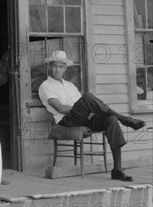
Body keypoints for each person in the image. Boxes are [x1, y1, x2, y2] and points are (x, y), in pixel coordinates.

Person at [39, 50, 146, 182]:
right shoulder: (46, 86)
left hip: (83, 118)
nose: (57, 69)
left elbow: (83, 105)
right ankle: (124, 119)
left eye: (60, 66)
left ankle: (117, 169)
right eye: (54, 66)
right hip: (67, 120)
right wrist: (85, 109)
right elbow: (60, 108)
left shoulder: (70, 85)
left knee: (111, 120)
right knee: (88, 97)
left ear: (65, 68)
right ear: (50, 66)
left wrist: (87, 111)